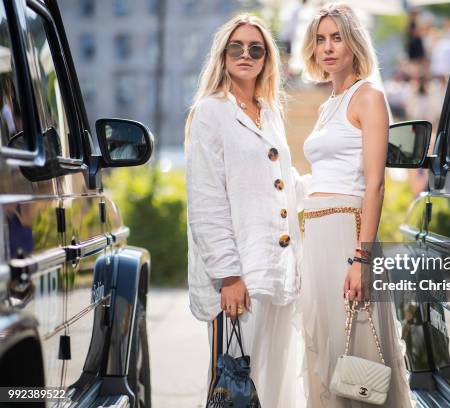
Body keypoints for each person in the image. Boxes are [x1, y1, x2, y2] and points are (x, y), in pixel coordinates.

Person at [184, 14, 308, 407]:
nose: (246, 54)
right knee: (234, 387)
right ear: (222, 55)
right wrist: (228, 274)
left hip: (276, 272)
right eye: (236, 46)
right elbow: (206, 200)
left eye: (256, 48)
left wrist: (336, 184)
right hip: (239, 278)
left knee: (271, 387)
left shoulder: (269, 113)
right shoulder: (210, 112)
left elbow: (284, 183)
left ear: (267, 59)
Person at [299, 3, 412, 407]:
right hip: (315, 235)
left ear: (353, 43)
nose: (327, 47)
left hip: (349, 235)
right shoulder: (327, 104)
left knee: (359, 349)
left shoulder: (369, 97)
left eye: (337, 37)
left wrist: (361, 258)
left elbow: (376, 184)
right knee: (324, 348)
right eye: (320, 39)